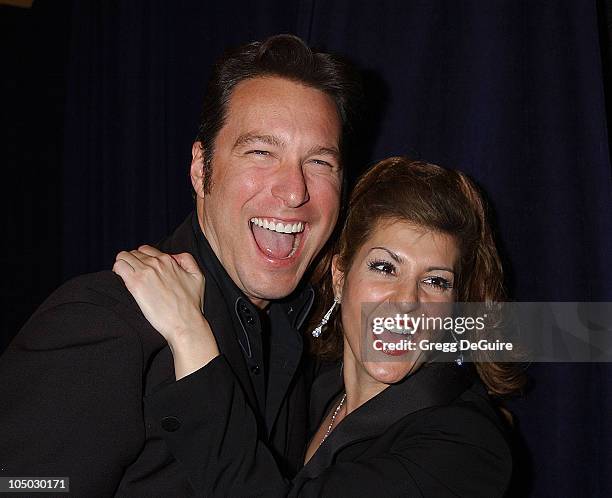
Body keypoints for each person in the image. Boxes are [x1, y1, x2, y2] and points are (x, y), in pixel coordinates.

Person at [0, 35, 361, 495]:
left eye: (319, 162)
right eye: (261, 153)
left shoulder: (303, 331)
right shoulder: (108, 324)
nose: (295, 192)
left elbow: (452, 339)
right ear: (200, 169)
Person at [116, 157, 525, 497]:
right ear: (341, 275)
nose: (407, 301)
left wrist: (189, 332)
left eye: (436, 281)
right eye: (384, 267)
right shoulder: (315, 387)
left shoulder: (465, 445)